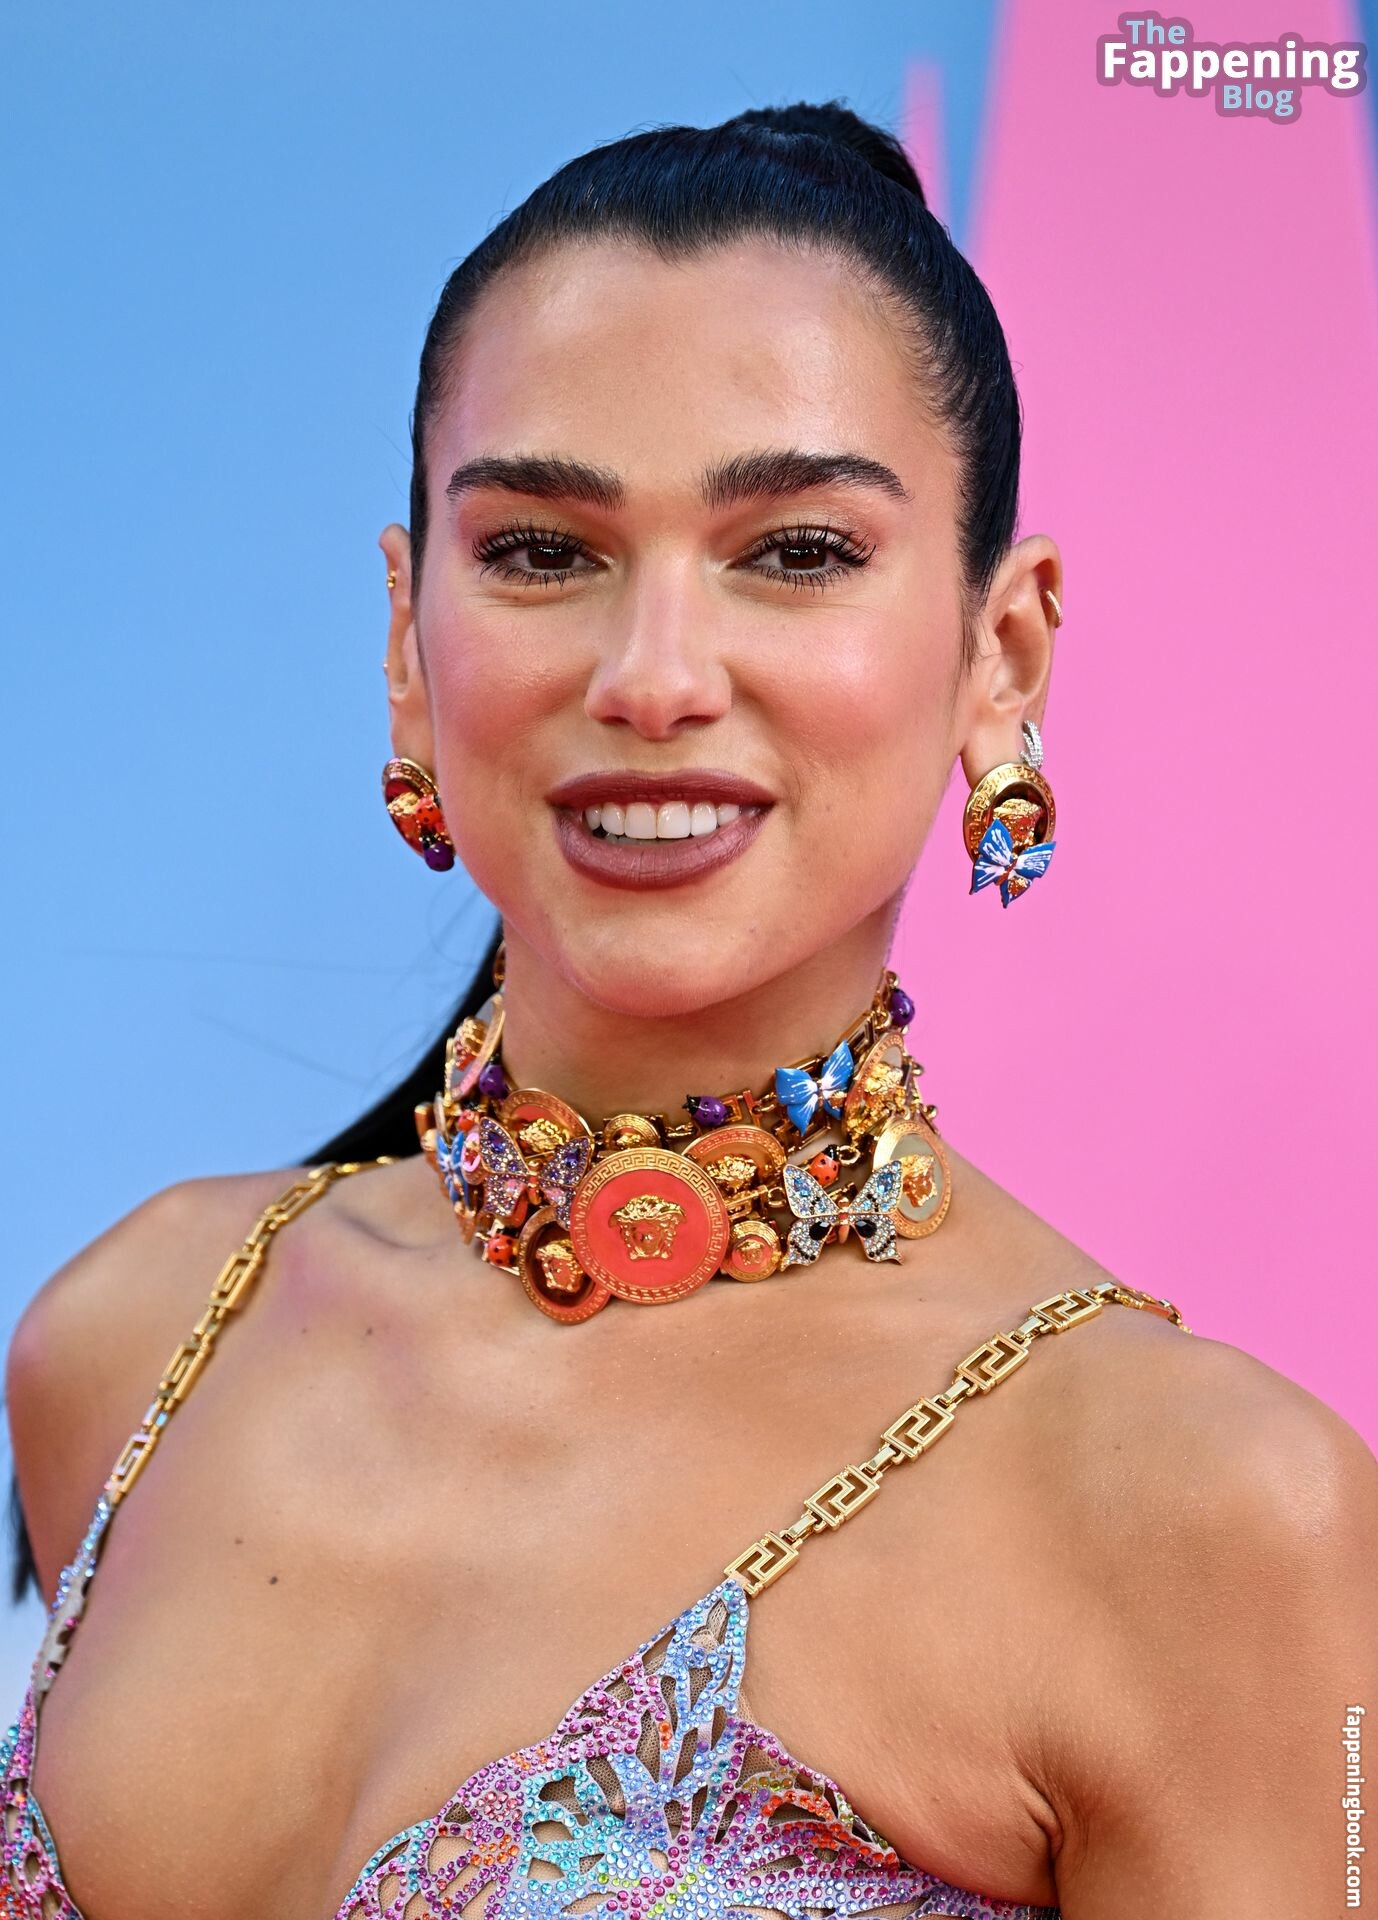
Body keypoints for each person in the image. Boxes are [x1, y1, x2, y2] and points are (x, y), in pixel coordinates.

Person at [3, 98, 1375, 1920]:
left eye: (795, 551)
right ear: (408, 640)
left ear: (1001, 655)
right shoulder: (141, 1332)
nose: (651, 679)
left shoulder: (1205, 1517)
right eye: (541, 551)